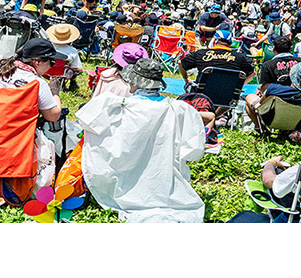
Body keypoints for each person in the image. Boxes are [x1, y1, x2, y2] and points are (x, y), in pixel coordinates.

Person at [75, 58, 208, 222]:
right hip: (162, 179)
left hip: (121, 176)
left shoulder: (116, 105)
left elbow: (86, 125)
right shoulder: (178, 108)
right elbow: (194, 150)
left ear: (136, 82)